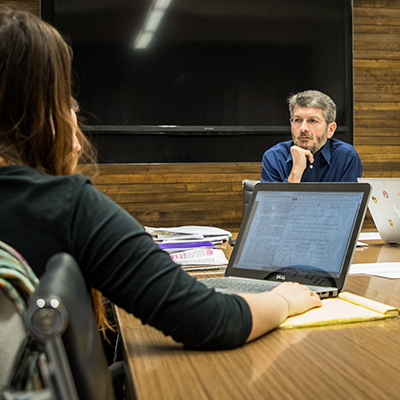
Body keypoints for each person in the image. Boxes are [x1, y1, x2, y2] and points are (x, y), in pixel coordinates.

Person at [0, 6, 321, 352]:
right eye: (66, 99)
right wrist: (285, 299)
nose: (72, 113)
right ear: (38, 109)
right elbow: (211, 319)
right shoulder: (63, 204)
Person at [261, 90, 362, 183]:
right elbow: (275, 203)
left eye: (313, 121)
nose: (303, 128)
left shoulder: (346, 157)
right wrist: (296, 171)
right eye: (297, 120)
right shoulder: (273, 157)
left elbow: (347, 202)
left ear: (330, 129)